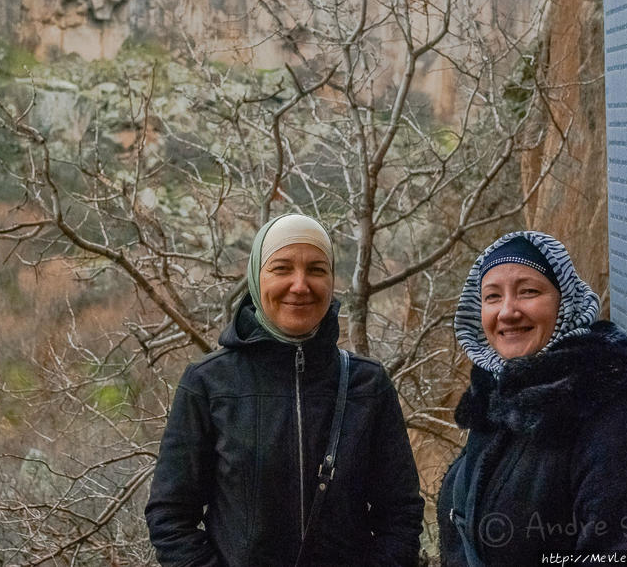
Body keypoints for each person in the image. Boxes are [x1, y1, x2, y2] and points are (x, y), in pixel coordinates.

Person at [146, 214, 424, 566]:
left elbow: (401, 513)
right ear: (256, 277)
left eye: (317, 270)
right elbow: (170, 516)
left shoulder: (367, 385)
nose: (300, 284)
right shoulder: (208, 383)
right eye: (281, 268)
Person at [437, 231, 627, 566]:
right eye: (492, 297)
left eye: (529, 292)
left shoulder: (620, 426)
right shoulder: (498, 398)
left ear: (565, 300)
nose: (507, 311)